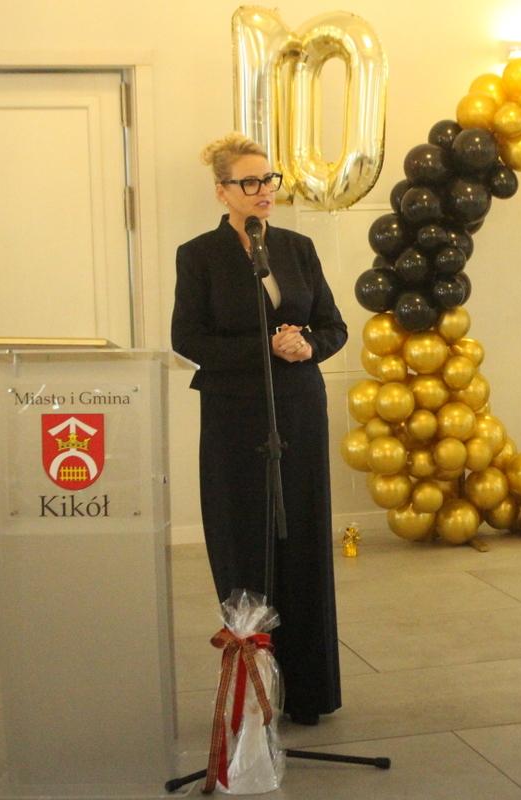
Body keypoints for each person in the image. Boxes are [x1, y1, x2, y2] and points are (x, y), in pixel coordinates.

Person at [172, 133, 348, 725]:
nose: (263, 190)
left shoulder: (297, 247)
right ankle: (253, 689)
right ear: (222, 191)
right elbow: (187, 338)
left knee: (302, 538)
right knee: (244, 536)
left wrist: (308, 345)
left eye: (269, 179)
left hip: (299, 408)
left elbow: (333, 325)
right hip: (234, 415)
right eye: (249, 182)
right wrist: (266, 348)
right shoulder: (198, 255)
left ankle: (309, 691)